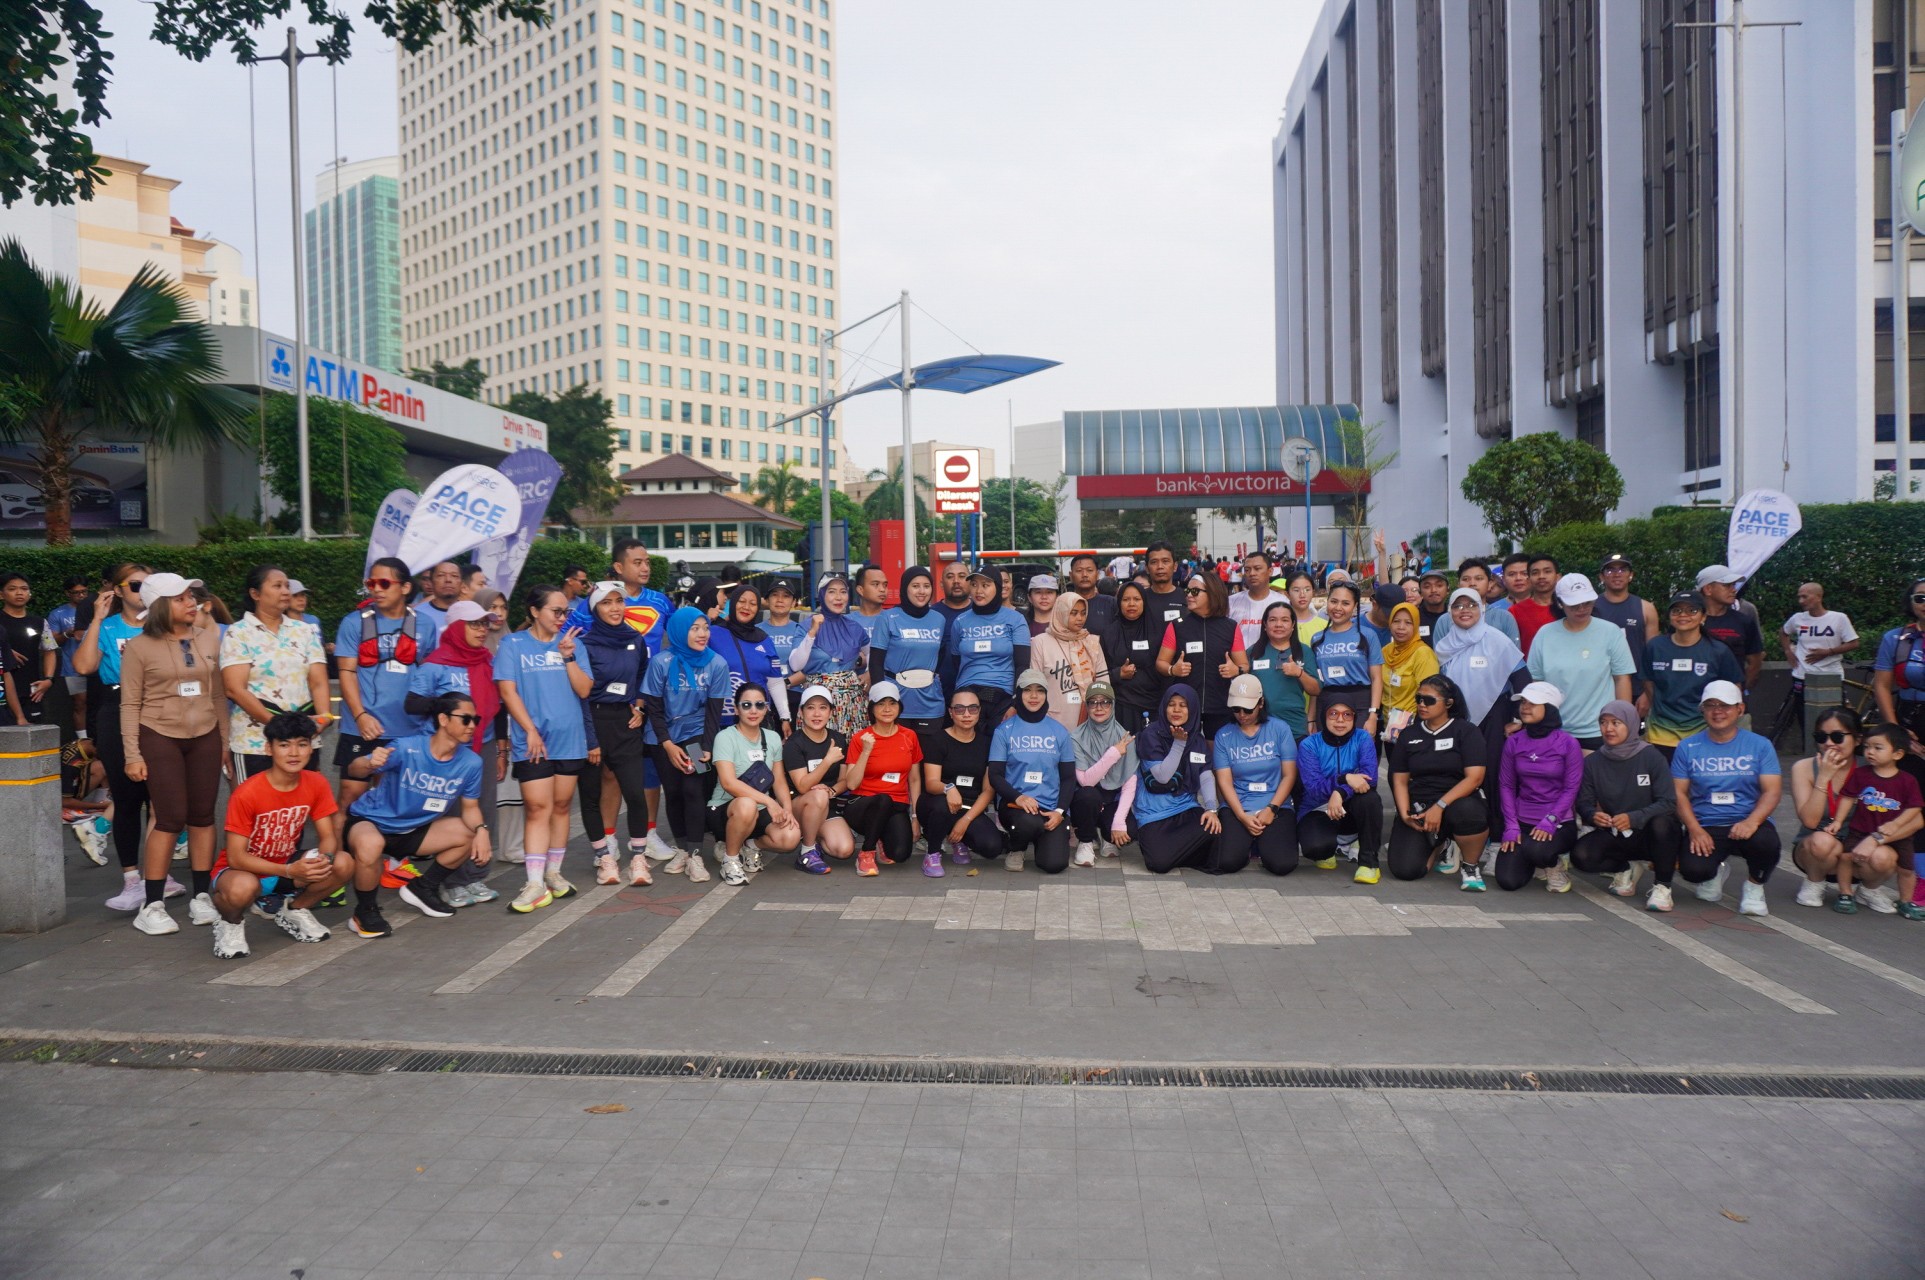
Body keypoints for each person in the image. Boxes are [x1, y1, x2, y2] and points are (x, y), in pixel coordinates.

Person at [118, 573, 228, 935]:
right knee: (169, 817)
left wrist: (223, 742)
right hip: (158, 734)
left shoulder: (209, 637)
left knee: (202, 815)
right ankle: (151, 904)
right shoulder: (139, 647)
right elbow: (129, 704)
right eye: (180, 598)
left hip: (205, 734)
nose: (191, 602)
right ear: (161, 606)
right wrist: (132, 754)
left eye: (190, 596)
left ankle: (202, 897)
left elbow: (217, 695)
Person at [341, 693, 492, 935]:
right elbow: (354, 769)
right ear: (443, 719)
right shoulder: (406, 747)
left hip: (414, 830)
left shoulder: (471, 763)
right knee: (371, 844)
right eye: (465, 719)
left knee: (470, 833)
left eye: (476, 719)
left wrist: (482, 831)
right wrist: (369, 763)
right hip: (371, 821)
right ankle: (365, 911)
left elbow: (471, 808)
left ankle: (423, 888)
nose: (472, 725)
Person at [565, 538, 676, 861]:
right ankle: (609, 837)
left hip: (648, 698)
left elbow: (678, 636)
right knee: (610, 774)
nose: (645, 567)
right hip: (606, 705)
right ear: (618, 566)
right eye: (637, 562)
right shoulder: (593, 602)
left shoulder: (660, 601)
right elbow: (564, 635)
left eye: (647, 561)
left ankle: (648, 833)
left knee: (648, 772)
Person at [72, 563, 174, 908]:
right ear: (117, 590)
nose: (142, 590)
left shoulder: (163, 624)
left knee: (161, 798)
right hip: (116, 708)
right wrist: (97, 619)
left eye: (148, 584)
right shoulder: (108, 626)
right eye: (135, 585)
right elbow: (84, 666)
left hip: (161, 708)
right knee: (128, 799)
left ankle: (159, 875)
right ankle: (132, 879)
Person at [208, 712, 347, 958]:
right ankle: (230, 923)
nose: (294, 753)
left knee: (343, 862)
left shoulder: (316, 782)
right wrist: (290, 871)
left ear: (310, 748)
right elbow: (236, 857)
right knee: (241, 888)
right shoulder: (247, 793)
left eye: (301, 744)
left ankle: (295, 910)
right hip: (246, 870)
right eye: (284, 745)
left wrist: (323, 860)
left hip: (286, 865)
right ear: (268, 749)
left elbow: (328, 836)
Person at [495, 584, 595, 911]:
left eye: (566, 611)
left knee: (562, 807)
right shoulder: (512, 644)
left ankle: (553, 873)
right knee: (538, 808)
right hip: (533, 741)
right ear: (535, 611)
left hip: (570, 739)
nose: (562, 617)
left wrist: (568, 657)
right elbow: (507, 692)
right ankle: (534, 883)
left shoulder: (573, 644)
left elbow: (584, 690)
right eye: (556, 611)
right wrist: (529, 730)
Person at [334, 557, 440, 808]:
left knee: (392, 799)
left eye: (384, 583)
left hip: (407, 728)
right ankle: (343, 837)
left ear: (405, 587)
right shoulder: (353, 622)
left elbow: (428, 674)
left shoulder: (425, 624)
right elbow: (346, 672)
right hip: (361, 726)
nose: (376, 590)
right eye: (371, 583)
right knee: (350, 795)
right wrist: (360, 716)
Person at [1669, 681, 1780, 917]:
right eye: (1710, 705)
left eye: (1725, 705)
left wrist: (1752, 822)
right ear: (1702, 710)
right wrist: (1694, 829)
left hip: (1747, 820)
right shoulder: (1687, 747)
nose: (1717, 711)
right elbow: (1678, 793)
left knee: (1767, 844)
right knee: (1692, 870)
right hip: (1707, 823)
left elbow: (1772, 791)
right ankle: (1715, 871)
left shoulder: (1760, 745)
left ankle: (1754, 886)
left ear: (1740, 709)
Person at [641, 606, 731, 883]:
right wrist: (667, 744)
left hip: (696, 732)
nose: (703, 634)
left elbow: (714, 712)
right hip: (661, 735)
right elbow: (653, 708)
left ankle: (695, 855)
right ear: (680, 631)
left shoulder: (717, 663)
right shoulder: (661, 662)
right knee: (674, 792)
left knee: (693, 789)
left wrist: (707, 746)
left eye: (705, 628)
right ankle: (682, 849)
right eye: (695, 628)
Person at [1796, 720, 1920, 916]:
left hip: (1876, 842)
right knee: (1826, 844)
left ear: (1856, 740)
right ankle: (1831, 889)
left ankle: (1877, 893)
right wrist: (1824, 777)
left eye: (1837, 737)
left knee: (1898, 864)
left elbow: (1916, 814)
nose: (1829, 743)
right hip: (1829, 847)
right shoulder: (1858, 773)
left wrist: (1878, 838)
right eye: (1821, 737)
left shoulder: (1905, 779)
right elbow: (1813, 820)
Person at [575, 582, 654, 888]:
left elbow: (642, 675)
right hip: (592, 721)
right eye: (606, 602)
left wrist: (640, 708)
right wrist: (590, 739)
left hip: (625, 722)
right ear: (595, 608)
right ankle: (604, 857)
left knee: (634, 792)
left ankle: (638, 857)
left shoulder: (635, 638)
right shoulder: (584, 644)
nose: (615, 608)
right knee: (591, 795)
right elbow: (580, 694)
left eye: (619, 601)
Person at [220, 565, 332, 778]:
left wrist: (325, 716)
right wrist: (277, 727)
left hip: (302, 741)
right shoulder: (238, 633)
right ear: (255, 594)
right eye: (277, 586)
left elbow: (318, 681)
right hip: (255, 742)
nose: (286, 592)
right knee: (256, 800)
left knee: (302, 798)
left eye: (287, 586)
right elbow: (234, 689)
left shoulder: (304, 631)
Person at [1387, 674, 1491, 887]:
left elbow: (1475, 778)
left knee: (1469, 812)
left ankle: (1470, 866)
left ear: (1449, 703)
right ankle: (1439, 843)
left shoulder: (1467, 731)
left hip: (1456, 802)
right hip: (1421, 805)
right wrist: (1405, 814)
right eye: (1418, 699)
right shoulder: (1408, 734)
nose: (1421, 704)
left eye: (1429, 700)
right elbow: (1399, 780)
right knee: (1405, 871)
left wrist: (1440, 806)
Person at [1570, 701, 1679, 904]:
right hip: (1616, 832)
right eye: (1603, 722)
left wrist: (1634, 818)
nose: (1608, 728)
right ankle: (1624, 868)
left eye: (1616, 722)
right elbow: (1584, 803)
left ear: (1631, 724)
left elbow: (1668, 802)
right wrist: (1593, 815)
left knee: (1663, 824)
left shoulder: (1651, 757)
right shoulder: (1593, 762)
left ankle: (1663, 886)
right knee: (1581, 856)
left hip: (1650, 834)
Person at [1112, 683, 1223, 874]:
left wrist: (1212, 809)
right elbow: (1162, 776)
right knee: (1158, 863)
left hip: (1186, 808)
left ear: (1193, 709)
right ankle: (1182, 853)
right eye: (1171, 704)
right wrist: (1179, 744)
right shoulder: (1151, 735)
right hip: (1154, 814)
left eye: (1183, 705)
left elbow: (1205, 777)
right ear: (1164, 707)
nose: (1176, 710)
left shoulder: (1197, 740)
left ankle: (1178, 852)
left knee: (1215, 832)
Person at [1523, 574, 1637, 749]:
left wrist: (1623, 722)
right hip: (1555, 730)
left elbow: (1622, 679)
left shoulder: (1610, 632)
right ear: (1560, 603)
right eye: (1574, 605)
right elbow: (1536, 682)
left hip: (1601, 730)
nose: (1582, 609)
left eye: (1587, 603)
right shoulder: (1545, 634)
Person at [706, 681, 801, 884]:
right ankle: (730, 860)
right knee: (747, 804)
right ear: (736, 709)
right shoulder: (725, 737)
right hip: (726, 808)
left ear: (766, 709)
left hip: (761, 809)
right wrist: (770, 802)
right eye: (746, 705)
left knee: (791, 837)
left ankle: (751, 846)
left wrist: (787, 810)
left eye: (759, 705)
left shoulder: (773, 737)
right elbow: (728, 783)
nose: (753, 710)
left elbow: (779, 781)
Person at [1494, 682, 1583, 893]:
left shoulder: (1568, 743)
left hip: (1558, 822)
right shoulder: (1514, 742)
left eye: (1533, 703)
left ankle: (1553, 865)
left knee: (1539, 851)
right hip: (1522, 821)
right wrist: (1511, 825)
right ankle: (1533, 858)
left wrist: (1550, 820)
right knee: (1508, 881)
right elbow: (1506, 785)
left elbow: (1571, 788)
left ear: (1549, 708)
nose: (1525, 707)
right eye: (1524, 702)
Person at [985, 671, 1077, 874]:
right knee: (1029, 822)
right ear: (1019, 694)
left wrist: (1060, 811)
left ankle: (1039, 840)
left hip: (1050, 809)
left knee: (1054, 865)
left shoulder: (1060, 731)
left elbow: (1069, 777)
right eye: (1027, 690)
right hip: (1016, 806)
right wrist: (1019, 798)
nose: (1034, 696)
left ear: (1046, 694)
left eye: (1039, 690)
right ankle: (1016, 847)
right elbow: (995, 775)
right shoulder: (1004, 731)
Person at [1210, 674, 1299, 876]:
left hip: (1275, 805)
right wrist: (1242, 816)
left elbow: (1289, 775)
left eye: (1248, 709)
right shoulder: (1223, 735)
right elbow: (1224, 782)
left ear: (1261, 703)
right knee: (1227, 862)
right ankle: (1249, 844)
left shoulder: (1280, 729)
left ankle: (1260, 844)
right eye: (1236, 709)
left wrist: (1272, 809)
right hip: (1238, 806)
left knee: (1282, 865)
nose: (1242, 715)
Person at [1639, 591, 1744, 757]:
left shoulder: (1718, 651)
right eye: (1677, 611)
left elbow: (1733, 690)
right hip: (1660, 733)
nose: (1683, 615)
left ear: (1703, 617)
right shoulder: (1655, 647)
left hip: (1704, 733)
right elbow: (1648, 683)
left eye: (1692, 610)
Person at [1294, 699, 1383, 881]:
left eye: (1347, 714)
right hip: (1319, 807)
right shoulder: (1309, 745)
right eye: (1333, 714)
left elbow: (1370, 778)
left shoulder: (1363, 738)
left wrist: (1340, 792)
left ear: (1354, 717)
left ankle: (1369, 863)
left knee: (1370, 799)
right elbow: (1314, 788)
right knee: (1315, 848)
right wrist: (1345, 778)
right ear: (1323, 717)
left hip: (1353, 806)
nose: (1340, 720)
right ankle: (1332, 846)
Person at [839, 682, 923, 875]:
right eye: (881, 704)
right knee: (883, 799)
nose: (887, 709)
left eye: (892, 703)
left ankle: (879, 837)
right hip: (862, 804)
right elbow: (851, 783)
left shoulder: (909, 736)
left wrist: (915, 817)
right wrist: (866, 751)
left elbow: (915, 780)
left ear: (899, 707)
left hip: (896, 804)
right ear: (872, 708)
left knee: (900, 854)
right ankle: (866, 853)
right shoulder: (861, 738)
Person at [919, 687, 1002, 872]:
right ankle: (932, 854)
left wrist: (966, 820)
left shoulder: (987, 744)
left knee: (992, 847)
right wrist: (949, 788)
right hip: (937, 803)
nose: (966, 714)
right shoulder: (937, 740)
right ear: (951, 712)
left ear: (979, 711)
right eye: (959, 709)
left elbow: (988, 790)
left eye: (972, 708)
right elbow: (931, 783)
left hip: (969, 807)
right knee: (941, 807)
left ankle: (959, 839)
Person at [1159, 571, 1248, 737]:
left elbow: (1244, 665)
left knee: (1215, 750)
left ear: (1212, 593)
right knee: (1184, 749)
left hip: (1219, 705)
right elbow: (1161, 662)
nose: (1189, 595)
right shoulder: (1177, 625)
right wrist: (1172, 669)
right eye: (1187, 590)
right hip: (1184, 706)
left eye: (1195, 591)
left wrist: (1236, 670)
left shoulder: (1230, 626)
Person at [1775, 582, 1859, 747]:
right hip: (1802, 675)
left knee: (1834, 718)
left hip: (1830, 676)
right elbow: (1783, 632)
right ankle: (1810, 751)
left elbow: (1854, 643)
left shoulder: (1838, 618)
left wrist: (1828, 652)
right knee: (1804, 717)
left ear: (1819, 596)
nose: (1801, 601)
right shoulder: (1798, 618)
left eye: (1805, 596)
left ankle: (1834, 750)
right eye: (1799, 597)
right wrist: (1788, 651)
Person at [870, 567, 948, 738]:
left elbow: (941, 656)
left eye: (926, 586)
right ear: (905, 588)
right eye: (915, 586)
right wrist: (879, 700)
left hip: (930, 703)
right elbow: (876, 662)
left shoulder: (939, 619)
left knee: (929, 753)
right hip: (895, 702)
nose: (921, 591)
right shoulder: (887, 618)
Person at [790, 574, 871, 740]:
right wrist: (812, 633)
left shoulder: (854, 628)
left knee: (851, 750)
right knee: (819, 749)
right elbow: (796, 664)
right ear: (821, 595)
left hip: (851, 704)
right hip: (818, 705)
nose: (838, 597)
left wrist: (869, 673)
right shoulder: (806, 626)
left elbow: (873, 653)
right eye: (832, 592)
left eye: (843, 591)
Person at [946, 569, 1031, 727]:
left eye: (985, 585)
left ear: (997, 587)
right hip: (967, 694)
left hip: (1003, 695)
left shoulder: (1016, 619)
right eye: (974, 585)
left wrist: (1016, 702)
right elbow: (956, 661)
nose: (979, 591)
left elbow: (1022, 665)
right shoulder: (960, 621)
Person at [784, 685, 855, 873]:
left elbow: (844, 781)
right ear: (801, 712)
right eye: (810, 707)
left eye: (823, 708)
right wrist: (827, 761)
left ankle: (814, 837)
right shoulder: (794, 744)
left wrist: (831, 791)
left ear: (831, 712)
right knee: (818, 796)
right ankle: (807, 851)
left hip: (825, 804)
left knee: (844, 850)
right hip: (798, 805)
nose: (816, 714)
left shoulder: (838, 739)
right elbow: (802, 786)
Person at [1067, 681, 1134, 866]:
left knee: (1131, 829)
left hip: (1111, 800)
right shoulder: (1076, 737)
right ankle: (1086, 841)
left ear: (1113, 705)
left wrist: (1119, 822)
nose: (1099, 708)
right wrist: (1113, 754)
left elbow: (1130, 784)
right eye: (1093, 702)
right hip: (1086, 800)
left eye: (1105, 702)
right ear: (1086, 706)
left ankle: (1106, 835)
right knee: (1088, 796)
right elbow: (1085, 781)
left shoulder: (1124, 737)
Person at [1309, 581, 1383, 737]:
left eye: (1345, 603)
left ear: (1355, 606)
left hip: (1360, 704)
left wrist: (1373, 715)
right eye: (1334, 601)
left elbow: (1377, 678)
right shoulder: (1317, 639)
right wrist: (1311, 718)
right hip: (1326, 703)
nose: (1338, 608)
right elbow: (1315, 683)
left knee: (1357, 751)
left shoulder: (1368, 635)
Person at [712, 583, 790, 733]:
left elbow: (775, 682)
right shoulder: (713, 634)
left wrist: (785, 717)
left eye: (753, 604)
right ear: (733, 603)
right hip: (722, 722)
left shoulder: (764, 639)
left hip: (759, 720)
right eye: (741, 601)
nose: (746, 607)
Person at [1030, 592, 1109, 732]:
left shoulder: (1091, 642)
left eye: (1083, 613)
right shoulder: (1040, 642)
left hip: (1088, 722)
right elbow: (1034, 685)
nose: (1080, 618)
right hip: (1051, 722)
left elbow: (1103, 684)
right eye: (1074, 613)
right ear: (1061, 612)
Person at [1245, 601, 1320, 739]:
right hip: (1259, 727)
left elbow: (1316, 689)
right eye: (1273, 620)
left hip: (1294, 726)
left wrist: (1299, 673)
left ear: (1293, 625)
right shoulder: (1253, 652)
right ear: (1265, 625)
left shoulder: (1304, 651)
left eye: (1285, 620)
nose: (1278, 624)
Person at [1100, 582, 1162, 733]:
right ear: (1119, 602)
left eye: (1137, 599)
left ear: (1144, 602)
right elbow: (1099, 674)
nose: (1131, 604)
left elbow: (1164, 668)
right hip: (1121, 706)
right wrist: (1118, 674)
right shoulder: (1109, 633)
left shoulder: (1158, 630)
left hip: (1154, 704)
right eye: (1126, 599)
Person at [1379, 602, 1441, 743]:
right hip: (1389, 726)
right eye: (1396, 621)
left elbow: (1428, 695)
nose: (1401, 627)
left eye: (1408, 623)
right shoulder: (1385, 651)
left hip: (1415, 726)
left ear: (1416, 625)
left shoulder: (1423, 653)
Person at [1696, 565, 1764, 693]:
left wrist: (1739, 692)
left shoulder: (1744, 621)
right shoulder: (1687, 622)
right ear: (1708, 589)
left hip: (1731, 699)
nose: (1734, 590)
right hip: (1692, 699)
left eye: (1733, 585)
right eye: (1727, 585)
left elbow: (1755, 662)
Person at [0, 572, 56, 724]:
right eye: (12, 589)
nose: (19, 593)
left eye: (24, 589)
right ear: (1, 594)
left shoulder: (39, 622)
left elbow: (49, 651)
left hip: (31, 691)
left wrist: (48, 680)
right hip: (3, 692)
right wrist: (5, 652)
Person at [1872, 577, 1925, 736]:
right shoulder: (1894, 638)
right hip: (1909, 717)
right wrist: (1895, 730)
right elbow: (1882, 686)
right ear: (1911, 602)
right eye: (1920, 598)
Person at [1591, 554, 1659, 675]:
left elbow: (1652, 653)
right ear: (1601, 577)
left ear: (1631, 575)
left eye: (1623, 570)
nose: (1617, 574)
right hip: (1600, 680)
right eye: (1610, 570)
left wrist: (1648, 685)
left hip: (1636, 682)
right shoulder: (1590, 608)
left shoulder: (1647, 608)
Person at [48, 575, 91, 736]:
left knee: (101, 702)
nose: (81, 595)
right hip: (72, 667)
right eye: (76, 592)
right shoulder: (57, 614)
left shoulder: (96, 608)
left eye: (84, 591)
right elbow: (51, 641)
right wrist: (67, 633)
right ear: (67, 593)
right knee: (80, 704)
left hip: (98, 665)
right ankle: (83, 741)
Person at [1454, 559, 1519, 644]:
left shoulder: (1505, 618)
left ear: (1489, 584)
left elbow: (1513, 651)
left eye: (1479, 578)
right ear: (1458, 585)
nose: (1472, 583)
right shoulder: (1445, 620)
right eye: (1466, 579)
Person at [759, 579, 809, 684]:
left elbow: (811, 667)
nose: (780, 600)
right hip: (761, 690)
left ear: (794, 602)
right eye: (775, 595)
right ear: (767, 600)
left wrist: (784, 684)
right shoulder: (755, 630)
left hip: (794, 691)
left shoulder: (802, 631)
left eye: (786, 596)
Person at [1227, 551, 1280, 650]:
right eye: (1247, 570)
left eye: (1257, 568)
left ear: (1270, 571)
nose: (1252, 573)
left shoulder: (1282, 602)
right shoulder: (1231, 602)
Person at [1509, 554, 1560, 654]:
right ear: (1529, 578)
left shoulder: (1568, 608)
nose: (1541, 576)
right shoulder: (1515, 612)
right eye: (1535, 573)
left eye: (1547, 571)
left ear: (1558, 577)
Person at [1066, 554, 1116, 635]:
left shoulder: (1111, 603)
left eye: (1089, 570)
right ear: (1071, 576)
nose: (1084, 575)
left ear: (1097, 574)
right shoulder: (1064, 604)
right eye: (1079, 570)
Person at [1141, 541, 1185, 631]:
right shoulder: (1140, 599)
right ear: (1147, 568)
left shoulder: (1187, 598)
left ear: (1175, 566)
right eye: (1154, 562)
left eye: (1165, 561)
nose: (1160, 566)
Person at [851, 562, 890, 646]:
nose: (882, 589)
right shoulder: (846, 622)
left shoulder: (893, 620)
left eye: (885, 585)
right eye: (876, 584)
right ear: (860, 590)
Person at [1285, 571, 1327, 645]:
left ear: (1313, 592)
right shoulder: (1280, 626)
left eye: (1307, 590)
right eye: (1296, 590)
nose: (1302, 595)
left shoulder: (1325, 626)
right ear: (1287, 594)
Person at [419, 561, 464, 625]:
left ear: (462, 583)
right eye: (441, 575)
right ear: (432, 582)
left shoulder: (472, 614)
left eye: (454, 576)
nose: (448, 580)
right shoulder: (417, 614)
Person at [1414, 570, 1450, 644]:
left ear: (1448, 590)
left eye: (1439, 585)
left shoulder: (1455, 616)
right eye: (1427, 586)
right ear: (1420, 592)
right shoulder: (1413, 617)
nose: (1433, 590)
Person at [1023, 573, 1060, 638]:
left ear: (1057, 597)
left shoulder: (1065, 625)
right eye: (1038, 592)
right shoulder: (1022, 625)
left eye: (1049, 592)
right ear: (1029, 597)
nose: (1044, 597)